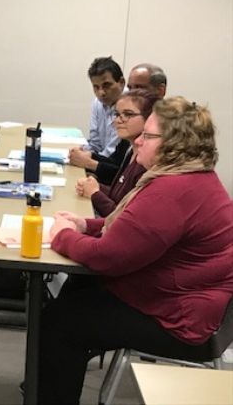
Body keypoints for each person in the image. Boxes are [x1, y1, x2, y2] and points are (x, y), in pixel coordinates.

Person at [40, 97, 233, 404]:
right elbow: (132, 227)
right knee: (76, 294)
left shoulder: (172, 191)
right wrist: (85, 226)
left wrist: (63, 236)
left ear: (175, 144)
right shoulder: (189, 176)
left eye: (149, 135)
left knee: (61, 322)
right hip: (179, 301)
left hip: (179, 321)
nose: (139, 140)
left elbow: (108, 257)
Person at [74, 90, 159, 212]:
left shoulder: (146, 162)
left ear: (149, 118)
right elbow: (117, 195)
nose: (118, 120)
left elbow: (123, 216)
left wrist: (95, 193)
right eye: (117, 114)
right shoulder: (130, 150)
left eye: (128, 114)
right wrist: (95, 186)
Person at [69, 56, 126, 184]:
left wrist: (88, 161)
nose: (101, 93)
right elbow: (95, 143)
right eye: (96, 87)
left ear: (121, 82)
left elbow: (112, 156)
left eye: (106, 85)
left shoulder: (128, 108)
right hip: (101, 167)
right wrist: (81, 151)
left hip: (116, 175)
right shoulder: (97, 103)